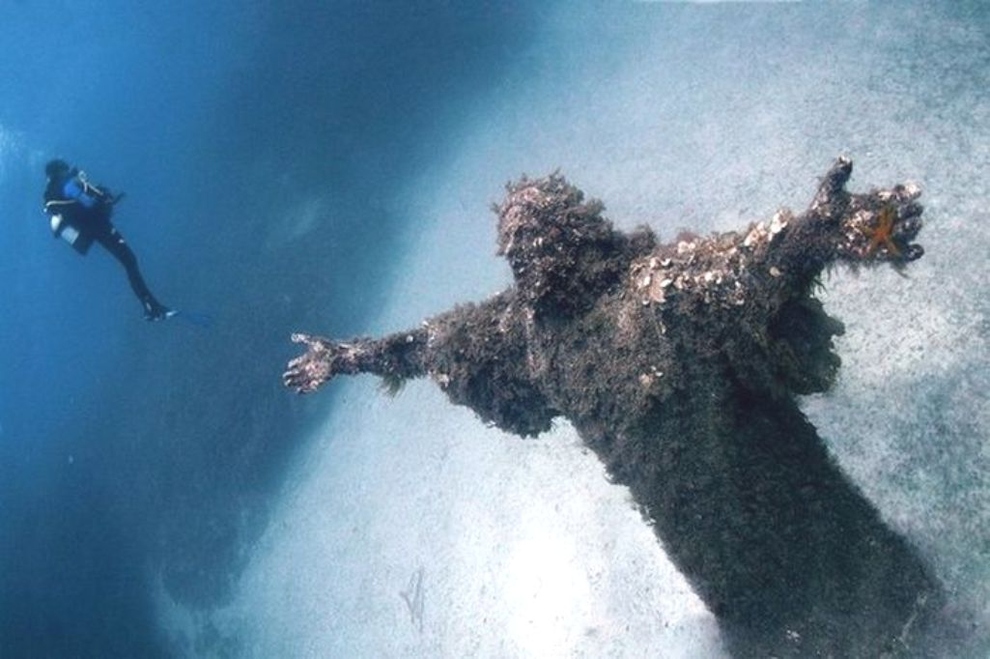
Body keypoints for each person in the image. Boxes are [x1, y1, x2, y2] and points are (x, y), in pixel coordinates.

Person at [43, 159, 172, 321]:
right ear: (60, 170)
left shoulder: (50, 194)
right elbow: (89, 202)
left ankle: (150, 306)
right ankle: (152, 307)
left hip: (87, 232)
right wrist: (104, 198)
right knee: (129, 261)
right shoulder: (66, 184)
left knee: (128, 261)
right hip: (99, 226)